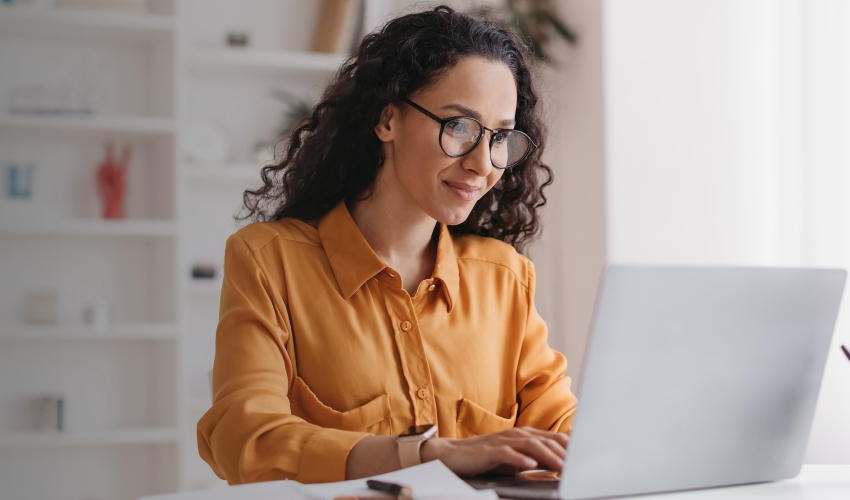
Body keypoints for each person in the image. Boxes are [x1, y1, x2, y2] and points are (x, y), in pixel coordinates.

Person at [196, 5, 576, 485]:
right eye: (459, 126)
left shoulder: (504, 277)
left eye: (500, 136)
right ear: (387, 119)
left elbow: (562, 432)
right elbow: (245, 438)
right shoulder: (270, 260)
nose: (484, 163)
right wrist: (426, 454)